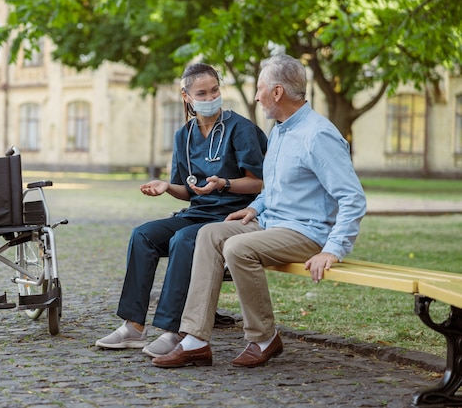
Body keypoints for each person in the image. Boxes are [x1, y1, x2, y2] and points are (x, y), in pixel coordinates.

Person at [152, 53, 367, 369]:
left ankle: (264, 337)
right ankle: (195, 340)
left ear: (277, 92)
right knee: (208, 233)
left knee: (237, 247)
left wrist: (332, 250)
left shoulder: (317, 134)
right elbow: (275, 188)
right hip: (272, 224)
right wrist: (254, 208)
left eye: (260, 88)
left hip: (308, 233)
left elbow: (353, 198)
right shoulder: (281, 130)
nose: (255, 96)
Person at [95, 63, 268, 358]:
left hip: (232, 217)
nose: (210, 96)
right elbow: (186, 189)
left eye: (214, 90)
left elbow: (259, 183)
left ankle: (173, 330)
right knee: (143, 236)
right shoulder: (183, 136)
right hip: (197, 213)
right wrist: (166, 186)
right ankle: (133, 327)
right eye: (202, 92)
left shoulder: (241, 129)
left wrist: (223, 184)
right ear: (186, 96)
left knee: (184, 239)